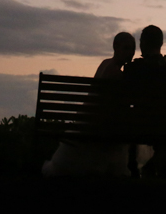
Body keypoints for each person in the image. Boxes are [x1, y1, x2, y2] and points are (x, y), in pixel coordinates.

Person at [41, 32, 136, 178]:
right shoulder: (116, 74)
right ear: (115, 47)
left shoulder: (105, 63)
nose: (130, 53)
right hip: (99, 129)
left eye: (132, 49)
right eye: (126, 48)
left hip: (87, 124)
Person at [122, 25, 166, 178]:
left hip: (139, 127)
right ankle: (161, 167)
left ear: (142, 44)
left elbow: (123, 101)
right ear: (160, 44)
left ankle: (139, 169)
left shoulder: (133, 69)